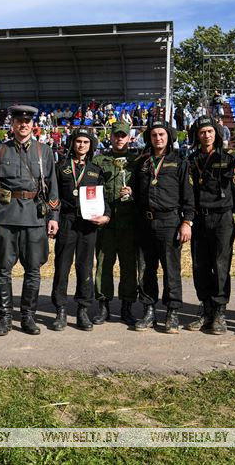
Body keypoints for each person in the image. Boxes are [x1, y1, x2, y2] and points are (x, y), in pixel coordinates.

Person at [0, 105, 60, 336]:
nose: (23, 125)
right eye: (18, 121)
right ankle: (5, 318)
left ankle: (28, 317)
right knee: (3, 270)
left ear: (32, 125)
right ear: (12, 124)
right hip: (6, 217)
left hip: (35, 217)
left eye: (27, 122)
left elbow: (53, 186)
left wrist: (53, 217)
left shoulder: (43, 151)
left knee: (33, 270)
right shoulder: (0, 151)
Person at [131, 121, 194, 333]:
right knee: (146, 269)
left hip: (170, 222)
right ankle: (149, 311)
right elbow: (136, 192)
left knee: (171, 269)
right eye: (154, 135)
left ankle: (172, 312)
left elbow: (188, 195)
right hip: (144, 222)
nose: (158, 138)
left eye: (162, 134)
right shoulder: (141, 162)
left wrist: (187, 222)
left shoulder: (179, 162)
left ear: (169, 137)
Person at [185, 116, 235, 334]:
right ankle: (206, 309)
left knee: (220, 265)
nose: (206, 135)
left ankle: (219, 312)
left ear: (216, 134)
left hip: (222, 218)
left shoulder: (231, 159)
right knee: (200, 266)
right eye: (202, 132)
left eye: (210, 131)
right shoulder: (191, 160)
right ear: (196, 135)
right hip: (199, 218)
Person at [50, 128, 109, 332]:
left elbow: (104, 199)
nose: (81, 145)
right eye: (78, 141)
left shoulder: (96, 170)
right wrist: (53, 219)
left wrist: (106, 216)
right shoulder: (61, 167)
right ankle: (61, 310)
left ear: (90, 145)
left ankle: (83, 310)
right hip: (67, 221)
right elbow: (52, 196)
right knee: (62, 267)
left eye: (85, 142)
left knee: (85, 267)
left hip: (88, 225)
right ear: (72, 143)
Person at [91, 122, 141, 326]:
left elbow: (145, 189)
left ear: (129, 138)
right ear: (110, 137)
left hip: (129, 223)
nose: (120, 139)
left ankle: (127, 306)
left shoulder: (137, 161)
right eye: (116, 135)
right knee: (103, 264)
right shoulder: (99, 161)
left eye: (123, 136)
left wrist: (133, 193)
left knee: (129, 266)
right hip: (106, 223)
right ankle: (103, 306)